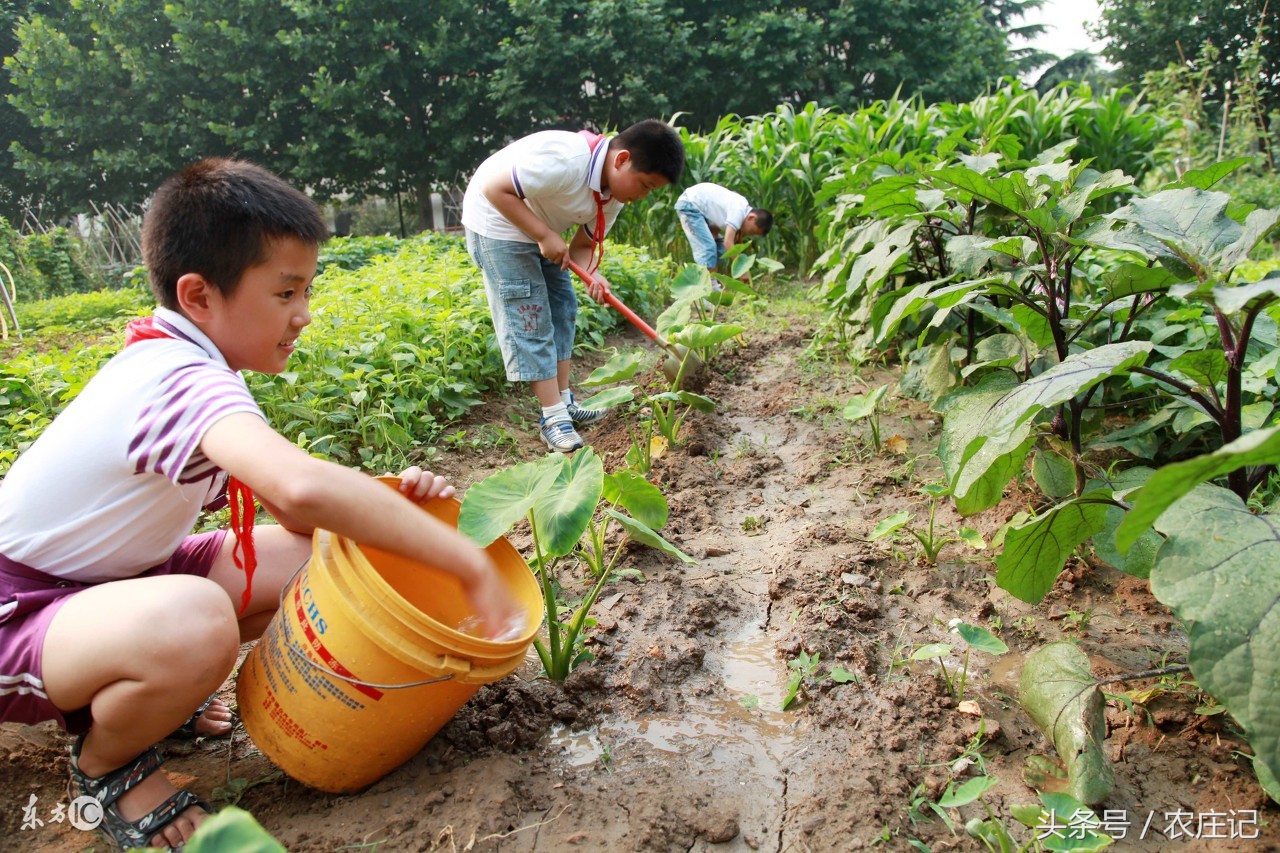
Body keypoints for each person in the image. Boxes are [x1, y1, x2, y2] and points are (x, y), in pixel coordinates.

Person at [0, 158, 523, 850]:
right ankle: (107, 764)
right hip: (22, 607)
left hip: (110, 583)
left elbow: (301, 514)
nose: (303, 314)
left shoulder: (187, 361)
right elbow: (300, 486)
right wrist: (463, 560)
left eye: (306, 290)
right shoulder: (175, 378)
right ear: (198, 295)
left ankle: (151, 696)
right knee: (196, 623)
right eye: (285, 292)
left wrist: (386, 495)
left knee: (318, 562)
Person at [462, 119, 685, 453]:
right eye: (644, 185)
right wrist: (543, 235)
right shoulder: (567, 160)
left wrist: (593, 273)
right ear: (622, 159)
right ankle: (552, 417)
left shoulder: (613, 196)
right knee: (531, 316)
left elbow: (582, 247)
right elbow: (494, 189)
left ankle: (564, 402)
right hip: (497, 220)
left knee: (564, 305)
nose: (643, 196)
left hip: (537, 223)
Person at [675, 182, 773, 275]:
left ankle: (712, 280)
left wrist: (714, 238)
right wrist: (743, 271)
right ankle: (709, 283)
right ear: (751, 218)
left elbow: (717, 218)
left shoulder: (742, 206)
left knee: (718, 247)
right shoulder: (739, 211)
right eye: (752, 231)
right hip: (690, 205)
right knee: (708, 248)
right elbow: (728, 243)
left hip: (700, 208)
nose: (749, 234)